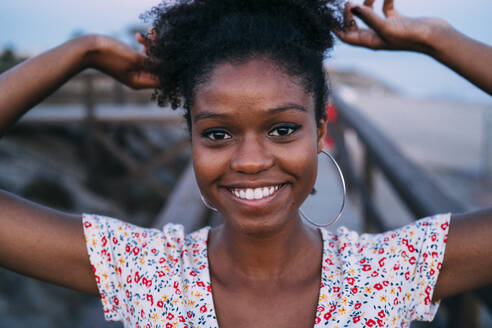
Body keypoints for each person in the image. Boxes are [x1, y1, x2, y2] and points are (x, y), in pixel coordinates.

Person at [0, 0, 491, 327]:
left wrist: (439, 39)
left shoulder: (387, 272)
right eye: (217, 133)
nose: (251, 161)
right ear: (190, 137)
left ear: (321, 131)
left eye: (282, 129)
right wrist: (80, 50)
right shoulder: (146, 273)